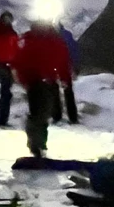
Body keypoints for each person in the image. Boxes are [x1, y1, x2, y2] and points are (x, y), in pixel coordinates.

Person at [13, 20, 73, 158]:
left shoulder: (30, 40)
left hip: (42, 81)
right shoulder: (36, 40)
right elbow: (20, 61)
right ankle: (37, 145)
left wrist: (64, 78)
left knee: (42, 114)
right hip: (39, 82)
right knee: (40, 114)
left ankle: (38, 145)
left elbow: (62, 61)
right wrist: (64, 79)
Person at [51, 21, 80, 124]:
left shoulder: (49, 36)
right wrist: (75, 66)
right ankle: (72, 117)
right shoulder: (66, 34)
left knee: (56, 91)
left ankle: (57, 116)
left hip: (59, 66)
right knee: (67, 92)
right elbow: (74, 50)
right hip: (63, 66)